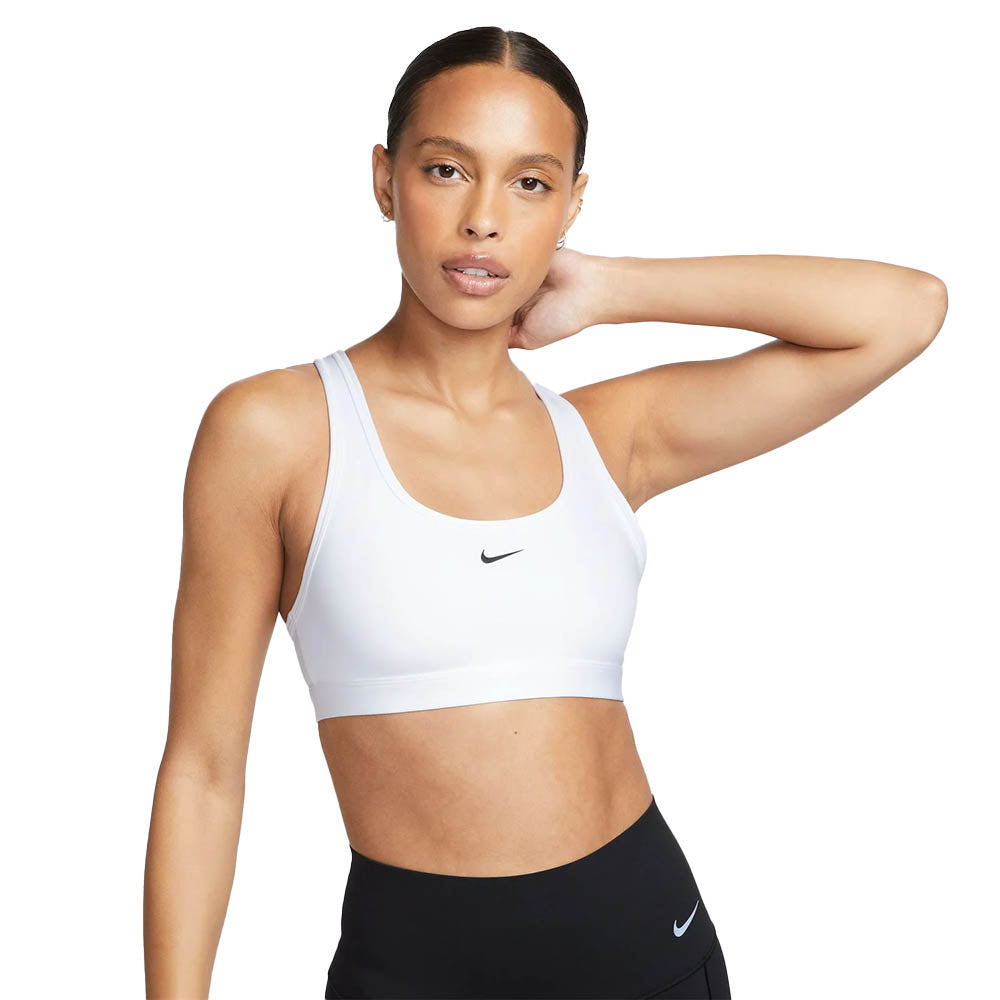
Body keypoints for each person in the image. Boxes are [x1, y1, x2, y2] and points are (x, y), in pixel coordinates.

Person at [143, 25, 948, 1000]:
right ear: (385, 179)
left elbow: (904, 311)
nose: (484, 219)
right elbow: (203, 769)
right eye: (447, 169)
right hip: (412, 972)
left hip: (649, 953)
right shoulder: (274, 432)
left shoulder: (610, 437)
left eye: (530, 184)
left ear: (570, 204)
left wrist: (612, 288)